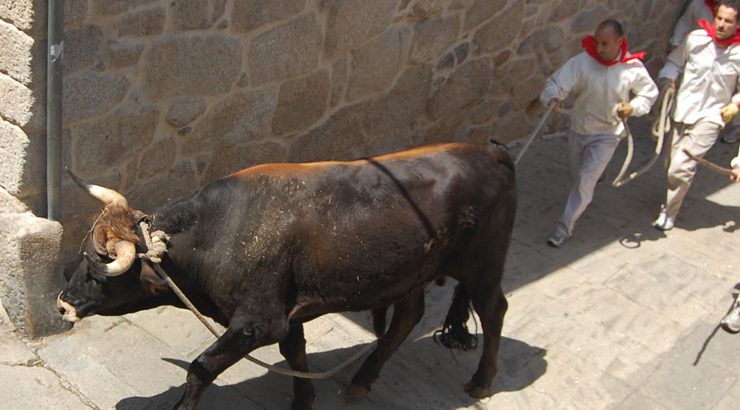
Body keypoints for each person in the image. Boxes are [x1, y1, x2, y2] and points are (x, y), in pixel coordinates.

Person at [541, 19, 658, 247]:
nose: (600, 49)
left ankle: (564, 227)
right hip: (579, 128)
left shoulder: (632, 69)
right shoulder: (583, 62)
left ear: (619, 42)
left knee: (584, 181)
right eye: (597, 43)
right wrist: (554, 96)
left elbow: (649, 94)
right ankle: (595, 178)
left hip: (608, 133)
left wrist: (633, 107)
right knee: (578, 176)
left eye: (605, 44)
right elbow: (557, 81)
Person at [653, 0, 740, 231]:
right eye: (719, 18)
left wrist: (736, 103)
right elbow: (674, 63)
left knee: (681, 167)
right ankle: (675, 193)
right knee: (672, 164)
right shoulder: (695, 40)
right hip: (682, 109)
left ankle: (669, 212)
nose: (721, 24)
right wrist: (669, 79)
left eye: (728, 21)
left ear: (737, 24)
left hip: (712, 116)